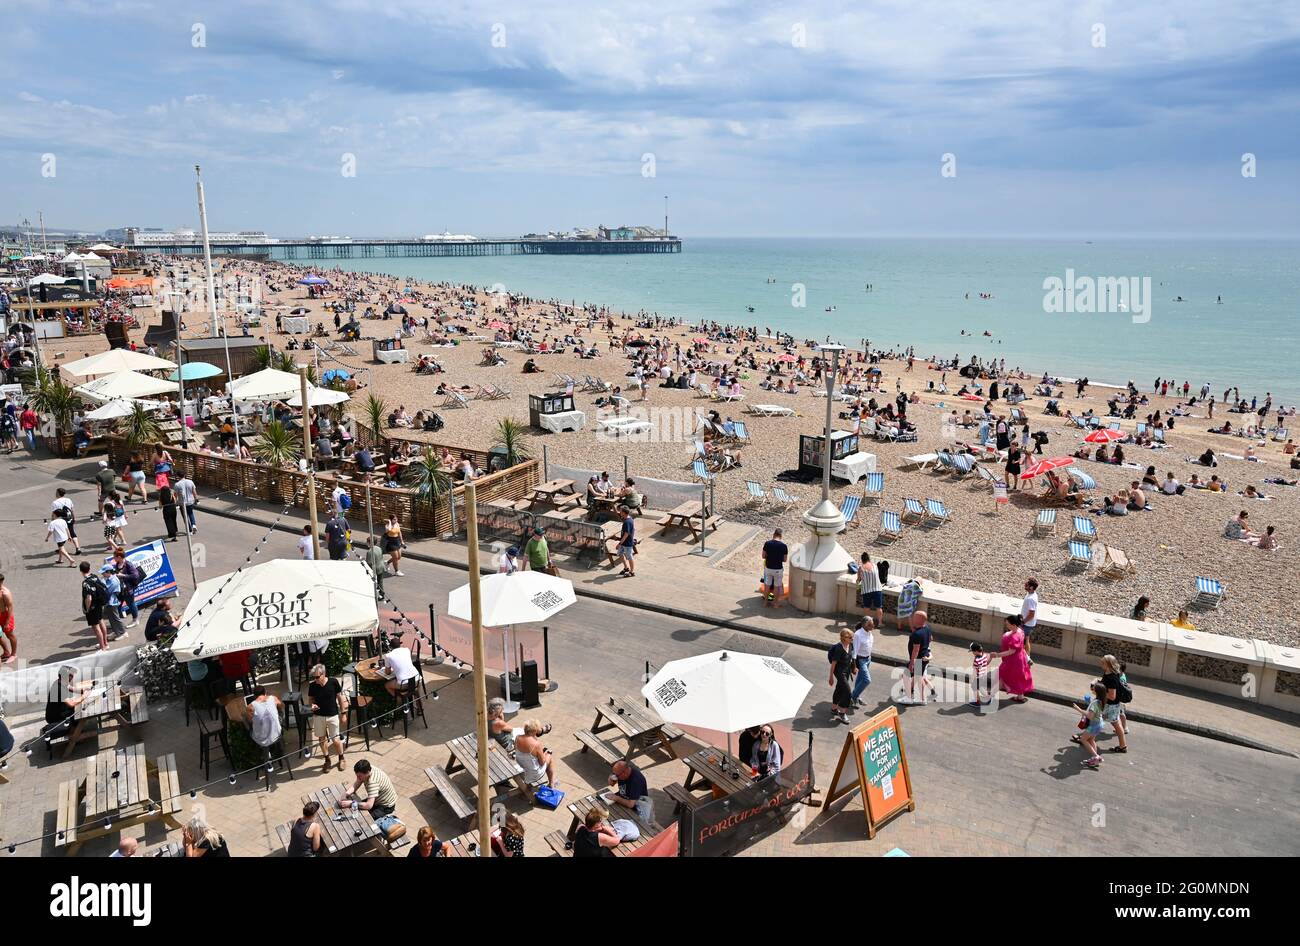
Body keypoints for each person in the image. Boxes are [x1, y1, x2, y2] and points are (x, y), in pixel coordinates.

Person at [306, 663, 347, 772]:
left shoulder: (333, 682)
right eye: (313, 677)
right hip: (319, 716)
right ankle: (327, 760)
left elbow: (340, 698)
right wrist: (312, 706)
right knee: (321, 739)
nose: (315, 680)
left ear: (323, 674)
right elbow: (310, 700)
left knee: (336, 740)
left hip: (332, 715)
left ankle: (341, 758)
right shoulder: (313, 685)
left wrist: (343, 713)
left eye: (317, 677)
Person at [339, 759, 399, 825]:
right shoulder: (369, 768)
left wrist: (351, 803)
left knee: (364, 821)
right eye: (357, 775)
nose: (358, 778)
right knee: (356, 809)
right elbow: (357, 783)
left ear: (367, 772)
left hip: (385, 806)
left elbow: (368, 805)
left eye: (360, 776)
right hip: (376, 800)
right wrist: (346, 794)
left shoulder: (372, 782)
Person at [991, 614, 1033, 703]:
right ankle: (1020, 697)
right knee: (1019, 677)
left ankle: (990, 695)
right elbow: (1022, 647)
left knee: (1002, 677)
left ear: (1013, 625)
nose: (1006, 625)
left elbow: (1011, 651)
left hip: (1013, 661)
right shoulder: (1020, 631)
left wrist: (997, 655)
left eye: (1008, 624)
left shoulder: (1015, 637)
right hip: (1020, 659)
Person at [1072, 682, 1109, 768]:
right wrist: (1089, 702)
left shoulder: (1095, 703)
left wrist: (1078, 709)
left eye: (1094, 688)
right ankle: (1094, 759)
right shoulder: (1101, 701)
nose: (1092, 688)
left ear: (1097, 691)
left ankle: (1096, 757)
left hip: (1093, 726)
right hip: (1099, 724)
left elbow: (1090, 716)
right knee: (1091, 740)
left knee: (1083, 739)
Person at [902, 611, 936, 704]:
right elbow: (930, 639)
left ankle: (909, 698)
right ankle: (923, 700)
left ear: (919, 619)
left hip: (918, 660)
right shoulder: (927, 629)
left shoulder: (916, 634)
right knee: (920, 678)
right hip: (924, 658)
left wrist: (911, 664)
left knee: (906, 676)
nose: (913, 618)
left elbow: (915, 650)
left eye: (914, 617)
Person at [515, 718, 557, 788]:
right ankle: (551, 783)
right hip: (533, 774)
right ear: (535, 731)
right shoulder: (536, 744)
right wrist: (545, 754)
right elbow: (542, 762)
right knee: (549, 757)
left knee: (533, 758)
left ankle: (528, 787)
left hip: (521, 767)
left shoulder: (517, 737)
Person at [827, 628, 855, 724]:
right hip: (839, 672)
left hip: (846, 671)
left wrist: (853, 668)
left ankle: (834, 708)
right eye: (850, 637)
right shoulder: (839, 648)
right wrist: (831, 677)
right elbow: (833, 664)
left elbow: (850, 658)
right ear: (844, 638)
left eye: (853, 637)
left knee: (839, 688)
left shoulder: (850, 645)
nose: (852, 639)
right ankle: (842, 712)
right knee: (847, 691)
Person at [246, 685, 283, 754]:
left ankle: (260, 754)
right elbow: (281, 706)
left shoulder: (250, 707)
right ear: (265, 692)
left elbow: (250, 721)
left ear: (254, 696)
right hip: (277, 734)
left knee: (248, 728)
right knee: (280, 715)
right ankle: (277, 750)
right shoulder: (273, 698)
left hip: (261, 739)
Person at [51, 489, 83, 555]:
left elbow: (53, 513)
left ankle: (61, 548)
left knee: (61, 534)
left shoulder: (55, 502)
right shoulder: (68, 500)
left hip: (60, 520)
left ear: (58, 493)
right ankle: (78, 548)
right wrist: (74, 517)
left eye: (56, 492)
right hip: (69, 518)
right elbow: (72, 510)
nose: (55, 494)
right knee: (72, 532)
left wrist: (53, 521)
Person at [856, 552, 883, 629]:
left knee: (867, 608)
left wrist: (857, 583)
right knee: (879, 607)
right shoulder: (874, 565)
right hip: (877, 589)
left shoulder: (861, 568)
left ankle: (866, 623)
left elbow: (859, 580)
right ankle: (880, 623)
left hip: (866, 590)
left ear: (862, 560)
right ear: (869, 558)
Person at [850, 617, 874, 707]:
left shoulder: (870, 633)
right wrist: (854, 665)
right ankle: (853, 696)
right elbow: (854, 651)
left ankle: (857, 696)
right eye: (871, 624)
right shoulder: (858, 635)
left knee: (860, 679)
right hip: (861, 660)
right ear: (865, 625)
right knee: (867, 680)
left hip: (868, 659)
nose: (873, 625)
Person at [760, 528, 787, 605]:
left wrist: (770, 556)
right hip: (778, 569)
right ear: (781, 536)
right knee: (776, 586)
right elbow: (785, 560)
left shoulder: (767, 543)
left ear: (774, 534)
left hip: (768, 568)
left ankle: (765, 603)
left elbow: (763, 556)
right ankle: (775, 604)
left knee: (767, 585)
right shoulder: (784, 546)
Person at [1020, 578, 1039, 665]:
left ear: (1031, 587)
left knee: (1022, 642)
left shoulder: (1031, 599)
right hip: (1029, 623)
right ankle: (1028, 658)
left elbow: (1031, 614)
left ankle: (1027, 659)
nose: (1025, 585)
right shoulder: (1031, 594)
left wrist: (1023, 622)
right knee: (1026, 641)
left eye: (1027, 584)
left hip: (1027, 624)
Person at [616, 507, 636, 577]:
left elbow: (626, 534)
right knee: (620, 553)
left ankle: (632, 572)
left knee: (629, 557)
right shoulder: (630, 519)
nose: (619, 513)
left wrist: (619, 543)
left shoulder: (627, 522)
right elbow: (633, 529)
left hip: (627, 543)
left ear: (624, 513)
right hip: (624, 542)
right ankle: (626, 568)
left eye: (621, 511)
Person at [0, 573, 15, 664]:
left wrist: (7, 622)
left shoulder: (5, 593)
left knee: (10, 635)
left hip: (5, 616)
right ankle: (6, 652)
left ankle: (13, 654)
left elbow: (10, 608)